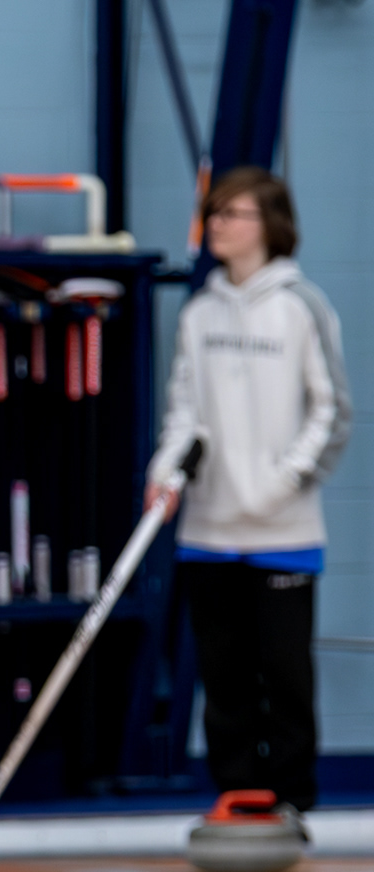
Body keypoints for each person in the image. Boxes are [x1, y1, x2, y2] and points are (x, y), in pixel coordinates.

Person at [148, 166, 350, 814]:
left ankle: (292, 799)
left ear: (269, 225)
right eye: (214, 213)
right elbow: (183, 409)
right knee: (224, 676)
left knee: (285, 674)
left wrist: (282, 482)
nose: (218, 225)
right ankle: (236, 795)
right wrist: (164, 472)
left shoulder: (301, 307)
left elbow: (332, 413)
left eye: (233, 213)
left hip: (283, 530)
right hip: (208, 530)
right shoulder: (200, 313)